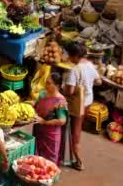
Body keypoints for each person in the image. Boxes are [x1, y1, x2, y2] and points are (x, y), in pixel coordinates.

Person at [63, 42, 101, 171]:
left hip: (78, 104)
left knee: (76, 133)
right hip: (88, 100)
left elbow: (70, 91)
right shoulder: (90, 65)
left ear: (74, 56)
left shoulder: (75, 70)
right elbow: (98, 81)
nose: (68, 58)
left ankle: (78, 161)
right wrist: (86, 84)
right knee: (77, 128)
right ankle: (72, 153)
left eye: (69, 56)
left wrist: (64, 88)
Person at [33, 73, 68, 165]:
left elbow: (62, 121)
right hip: (38, 131)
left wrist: (44, 122)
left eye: (49, 83)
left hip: (51, 135)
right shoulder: (43, 93)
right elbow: (37, 105)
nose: (46, 84)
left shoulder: (60, 101)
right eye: (46, 82)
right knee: (36, 158)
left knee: (49, 162)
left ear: (57, 86)